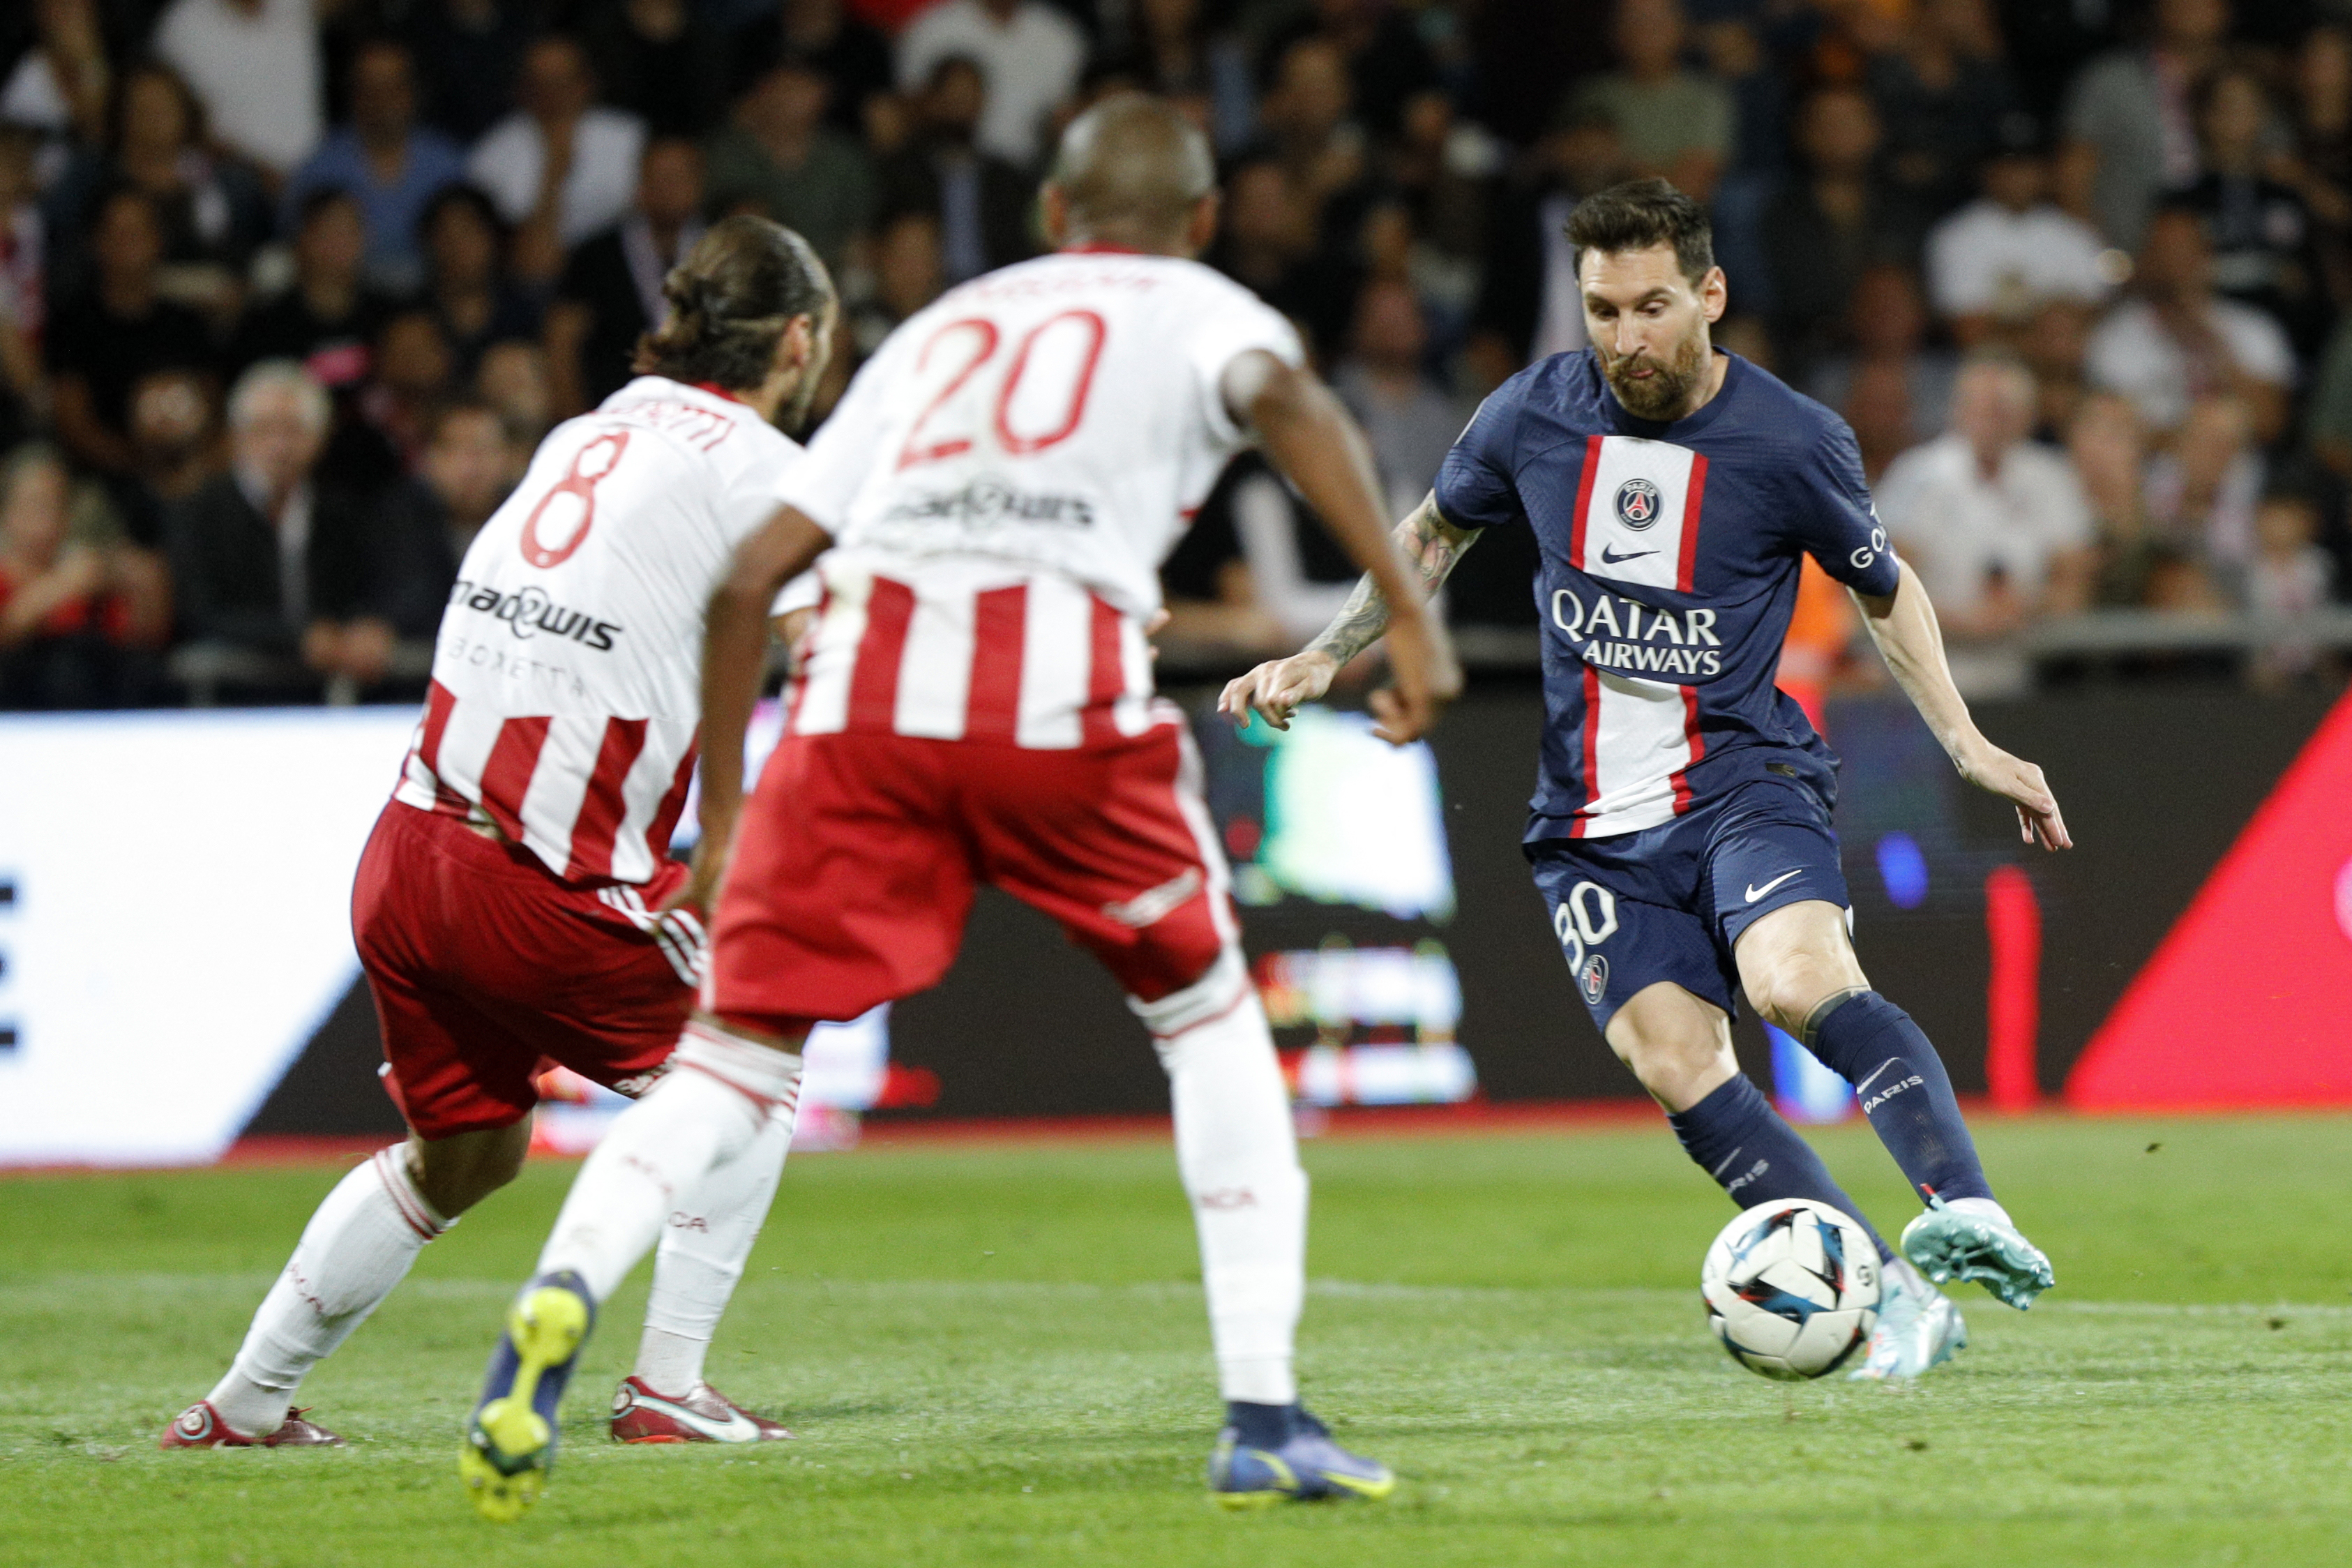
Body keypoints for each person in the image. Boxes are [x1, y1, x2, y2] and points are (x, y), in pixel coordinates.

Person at [459, 93, 1459, 1521]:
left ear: (1051, 215)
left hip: (861, 713)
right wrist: (1408, 616)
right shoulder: (1201, 303)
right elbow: (1292, 403)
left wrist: (733, 819)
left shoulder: (948, 324)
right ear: (1202, 219)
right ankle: (1262, 1411)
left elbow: (750, 585)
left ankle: (557, 1297)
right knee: (1210, 1023)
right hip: (1058, 711)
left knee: (735, 1055)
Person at [1221, 179, 2063, 1385]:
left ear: (1709, 296)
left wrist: (1968, 743)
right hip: (1587, 823)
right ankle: (1889, 1297)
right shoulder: (1530, 414)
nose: (1625, 338)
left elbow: (1889, 592)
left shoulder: (1789, 438)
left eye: (1651, 306)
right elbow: (1427, 534)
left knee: (1795, 980)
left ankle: (1966, 1202)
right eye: (1602, 310)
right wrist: (1323, 651)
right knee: (1676, 1061)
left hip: (1743, 780)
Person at [164, 216, 838, 1454]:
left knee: (465, 1153)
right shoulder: (754, 465)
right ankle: (667, 1389)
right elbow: (833, 646)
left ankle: (243, 1404)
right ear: (797, 340)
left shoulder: (597, 424)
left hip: (408, 848)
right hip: (533, 879)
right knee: (760, 1054)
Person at [162, 361, 393, 693]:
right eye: (263, 429)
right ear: (236, 437)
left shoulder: (342, 512)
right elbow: (199, 613)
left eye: (293, 430)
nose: (279, 446)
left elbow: (369, 589)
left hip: (330, 697)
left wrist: (366, 627)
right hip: (230, 696)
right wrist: (298, 638)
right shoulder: (198, 511)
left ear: (320, 437)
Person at [1875, 354, 2095, 695]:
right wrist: (1962, 621)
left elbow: (2075, 583)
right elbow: (1886, 590)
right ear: (1957, 410)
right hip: (1927, 682)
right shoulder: (1916, 476)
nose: (1991, 420)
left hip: (2025, 679)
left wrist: (2025, 608)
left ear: (2027, 415)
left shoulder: (2052, 477)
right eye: (1980, 407)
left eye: (2003, 409)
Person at [280, 38, 466, 295]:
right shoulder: (321, 168)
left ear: (413, 92)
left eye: (394, 86)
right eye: (370, 87)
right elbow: (296, 252)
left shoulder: (445, 163)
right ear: (354, 95)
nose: (382, 99)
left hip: (432, 302)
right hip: (348, 303)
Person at [546, 135, 707, 417]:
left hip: (701, 414)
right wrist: (576, 418)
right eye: (660, 176)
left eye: (679, 176)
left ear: (700, 184)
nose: (669, 188)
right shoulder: (597, 254)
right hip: (613, 410)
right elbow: (562, 338)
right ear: (639, 184)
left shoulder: (722, 252)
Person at [894, 0, 1085, 168]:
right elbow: (907, 111)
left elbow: (1071, 122)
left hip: (1032, 174)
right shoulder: (931, 30)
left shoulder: (1061, 37)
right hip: (945, 169)